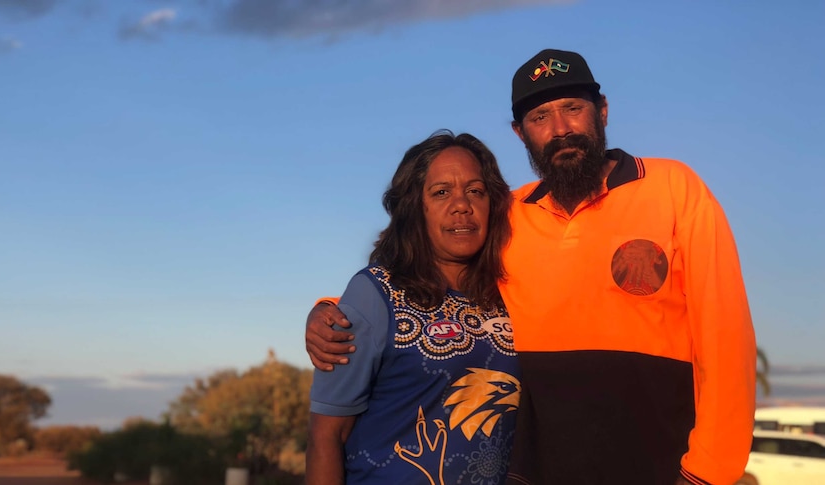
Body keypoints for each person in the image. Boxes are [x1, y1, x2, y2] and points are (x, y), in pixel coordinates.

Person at [305, 49, 757, 485]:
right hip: (534, 472)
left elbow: (725, 334)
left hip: (659, 465)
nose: (560, 128)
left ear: (601, 110)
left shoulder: (675, 190)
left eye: (572, 107)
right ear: (521, 134)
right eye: (540, 117)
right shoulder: (508, 214)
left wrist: (705, 473)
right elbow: (420, 274)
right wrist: (333, 312)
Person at [306, 130, 521, 485]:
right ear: (413, 209)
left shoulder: (512, 294)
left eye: (475, 191)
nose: (461, 205)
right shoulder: (374, 293)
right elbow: (325, 437)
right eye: (441, 192)